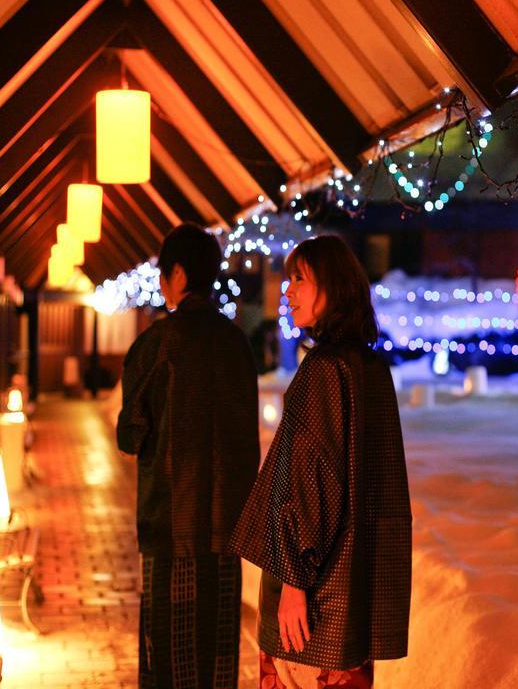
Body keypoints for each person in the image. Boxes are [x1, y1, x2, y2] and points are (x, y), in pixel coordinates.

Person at [230, 235, 412, 689]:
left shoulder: (324, 369)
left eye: (299, 280)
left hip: (314, 609)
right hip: (352, 603)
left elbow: (312, 484)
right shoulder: (370, 368)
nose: (287, 291)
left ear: (333, 288)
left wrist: (293, 584)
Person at [117, 223, 259, 689]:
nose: (161, 285)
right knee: (218, 658)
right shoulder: (237, 344)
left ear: (177, 273)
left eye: (162, 274)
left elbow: (130, 435)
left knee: (168, 659)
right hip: (225, 530)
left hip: (169, 524)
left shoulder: (156, 345)